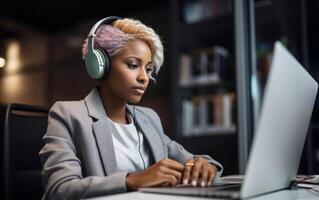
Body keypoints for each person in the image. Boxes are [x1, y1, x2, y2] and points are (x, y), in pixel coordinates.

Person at [39, 17, 223, 200]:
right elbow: (59, 189)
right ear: (100, 65)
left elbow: (192, 159)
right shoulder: (68, 115)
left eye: (149, 69)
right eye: (133, 65)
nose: (144, 78)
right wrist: (132, 180)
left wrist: (205, 166)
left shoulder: (148, 118)